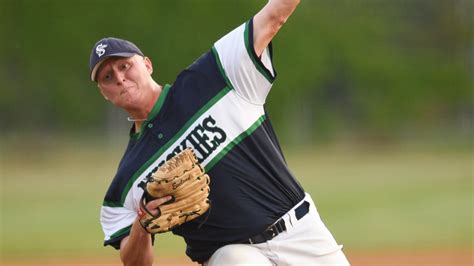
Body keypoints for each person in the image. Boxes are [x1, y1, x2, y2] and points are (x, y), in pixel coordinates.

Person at [89, 0, 350, 265]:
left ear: (147, 65)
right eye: (107, 77)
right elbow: (136, 262)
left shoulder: (214, 76)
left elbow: (274, 16)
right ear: (103, 93)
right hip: (233, 255)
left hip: (300, 232)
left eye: (125, 66)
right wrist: (142, 224)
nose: (120, 78)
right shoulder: (127, 182)